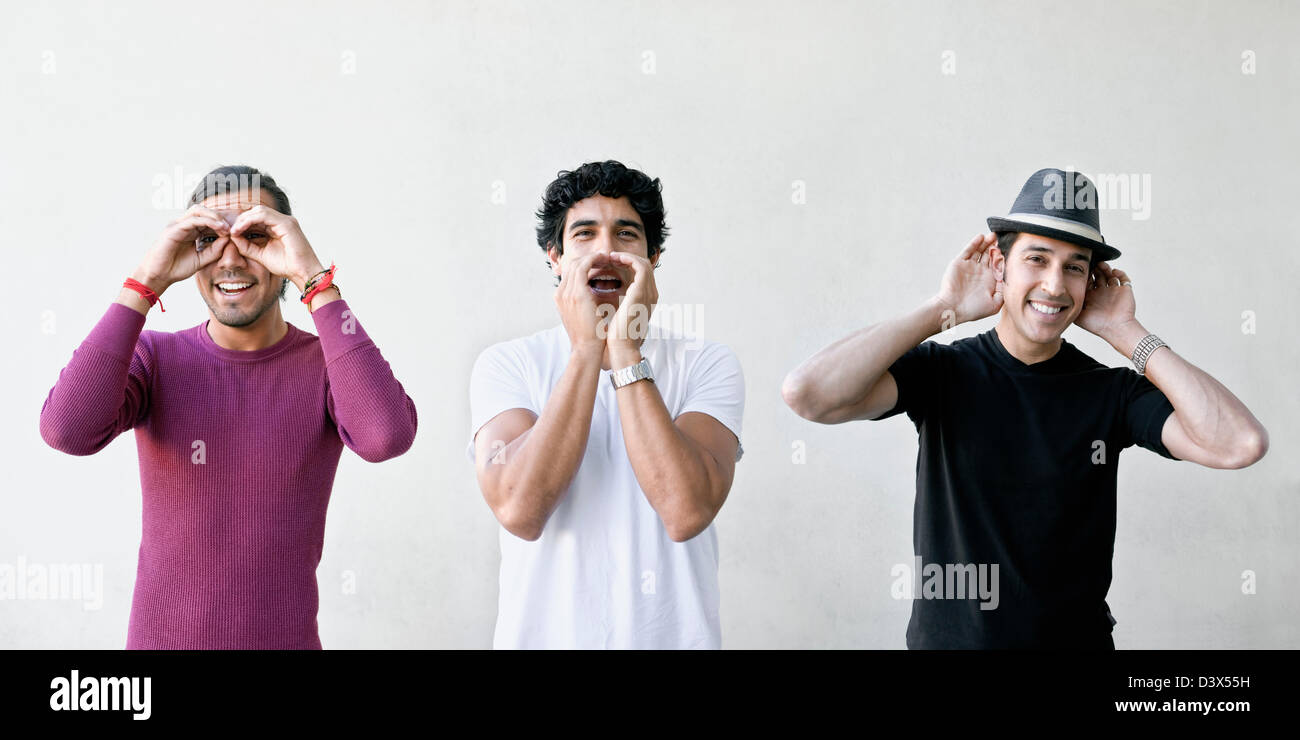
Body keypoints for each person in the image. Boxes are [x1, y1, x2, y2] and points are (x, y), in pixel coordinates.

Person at [782, 168, 1268, 649]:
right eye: (1037, 259)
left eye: (1074, 267)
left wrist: (1126, 334)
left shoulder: (1110, 391)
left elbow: (1238, 445)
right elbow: (809, 394)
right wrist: (942, 306)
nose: (1055, 286)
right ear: (1000, 264)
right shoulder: (941, 372)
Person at [39, 165, 418, 649]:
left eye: (256, 235)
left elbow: (385, 436)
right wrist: (143, 283)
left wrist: (314, 280)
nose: (231, 261)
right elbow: (67, 430)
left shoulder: (329, 364)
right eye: (208, 239)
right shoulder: (154, 358)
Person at [468, 160, 745, 649]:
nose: (606, 252)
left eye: (626, 234)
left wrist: (624, 352)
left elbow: (685, 510)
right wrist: (585, 349)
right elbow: (520, 508)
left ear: (653, 257)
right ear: (554, 257)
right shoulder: (506, 364)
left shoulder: (707, 363)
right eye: (584, 234)